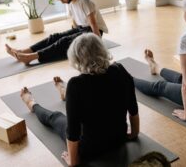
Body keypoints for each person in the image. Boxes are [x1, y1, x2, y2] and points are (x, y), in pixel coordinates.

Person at [19, 33, 140, 166]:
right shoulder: (120, 70)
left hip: (89, 149)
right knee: (88, 101)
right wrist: (134, 133)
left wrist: (74, 161)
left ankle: (32, 103)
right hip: (118, 139)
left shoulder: (76, 84)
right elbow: (133, 108)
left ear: (77, 58)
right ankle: (64, 93)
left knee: (55, 117)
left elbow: (73, 131)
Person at [6, 0, 108, 65]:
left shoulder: (84, 0)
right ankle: (24, 51)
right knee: (55, 37)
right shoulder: (71, 2)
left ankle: (31, 57)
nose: (62, 2)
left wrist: (98, 46)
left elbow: (94, 24)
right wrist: (73, 33)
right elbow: (76, 22)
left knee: (63, 41)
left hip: (94, 32)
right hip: (82, 28)